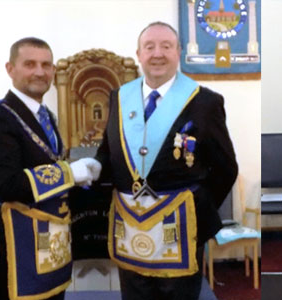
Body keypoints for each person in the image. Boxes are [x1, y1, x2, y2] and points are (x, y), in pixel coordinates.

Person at [92, 21, 238, 300]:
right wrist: (96, 165)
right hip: (130, 226)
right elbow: (109, 150)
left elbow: (226, 167)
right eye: (149, 47)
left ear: (179, 52)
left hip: (180, 226)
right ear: (138, 54)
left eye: (166, 46)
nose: (157, 54)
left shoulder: (204, 101)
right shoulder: (119, 97)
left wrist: (196, 206)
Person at [0, 37, 99, 300]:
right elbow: (4, 184)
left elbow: (46, 165)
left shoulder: (47, 117)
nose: (40, 72)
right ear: (11, 69)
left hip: (49, 240)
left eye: (46, 65)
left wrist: (76, 177)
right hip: (14, 243)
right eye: (30, 64)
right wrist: (68, 173)